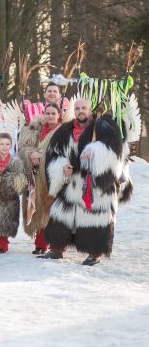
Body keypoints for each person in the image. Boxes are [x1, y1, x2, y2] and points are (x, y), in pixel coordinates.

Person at [42, 99, 132, 265]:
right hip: (71, 182)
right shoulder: (64, 131)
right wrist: (62, 166)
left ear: (90, 109)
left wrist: (95, 152)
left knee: (95, 217)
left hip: (96, 184)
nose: (80, 111)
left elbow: (115, 150)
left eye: (84, 108)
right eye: (77, 108)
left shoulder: (103, 126)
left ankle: (95, 252)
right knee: (62, 214)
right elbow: (53, 154)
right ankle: (57, 249)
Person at [17, 102, 63, 254]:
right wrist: (31, 154)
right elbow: (23, 148)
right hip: (35, 173)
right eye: (48, 113)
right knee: (36, 208)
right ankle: (40, 244)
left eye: (53, 113)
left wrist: (41, 155)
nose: (50, 116)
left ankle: (52, 245)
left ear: (59, 115)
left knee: (51, 210)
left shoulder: (62, 131)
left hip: (53, 176)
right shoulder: (35, 129)